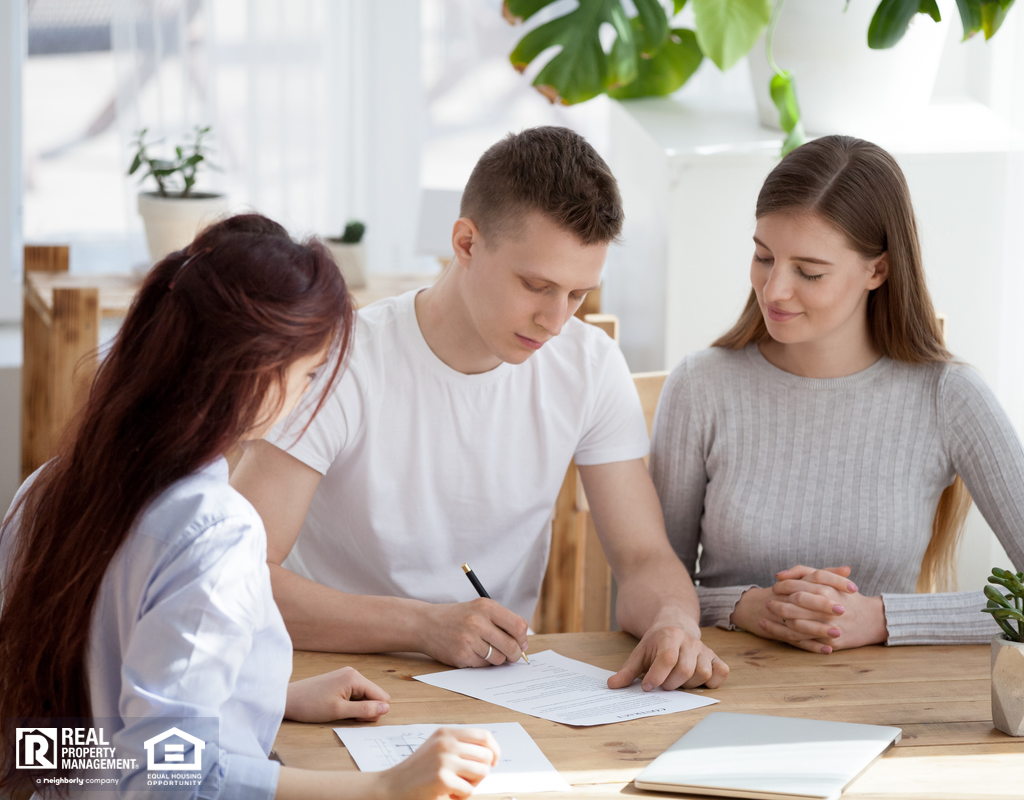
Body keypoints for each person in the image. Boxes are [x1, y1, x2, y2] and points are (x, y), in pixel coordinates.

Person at [0, 214, 499, 800]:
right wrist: (383, 788)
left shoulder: (50, 488)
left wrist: (262, 697)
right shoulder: (214, 531)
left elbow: (50, 738)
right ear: (258, 374)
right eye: (311, 373)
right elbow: (168, 780)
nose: (311, 393)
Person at [231, 127, 729, 691]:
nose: (556, 320)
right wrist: (422, 625)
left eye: (577, 294)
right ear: (466, 243)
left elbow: (643, 558)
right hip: (323, 681)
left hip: (498, 687)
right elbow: (233, 576)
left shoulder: (588, 365)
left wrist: (673, 619)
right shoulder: (342, 364)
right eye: (536, 285)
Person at [650, 134, 1024, 653]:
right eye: (763, 257)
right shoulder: (701, 387)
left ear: (877, 270)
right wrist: (745, 606)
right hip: (718, 691)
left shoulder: (948, 396)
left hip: (887, 709)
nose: (774, 290)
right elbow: (646, 588)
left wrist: (882, 619)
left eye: (809, 271)